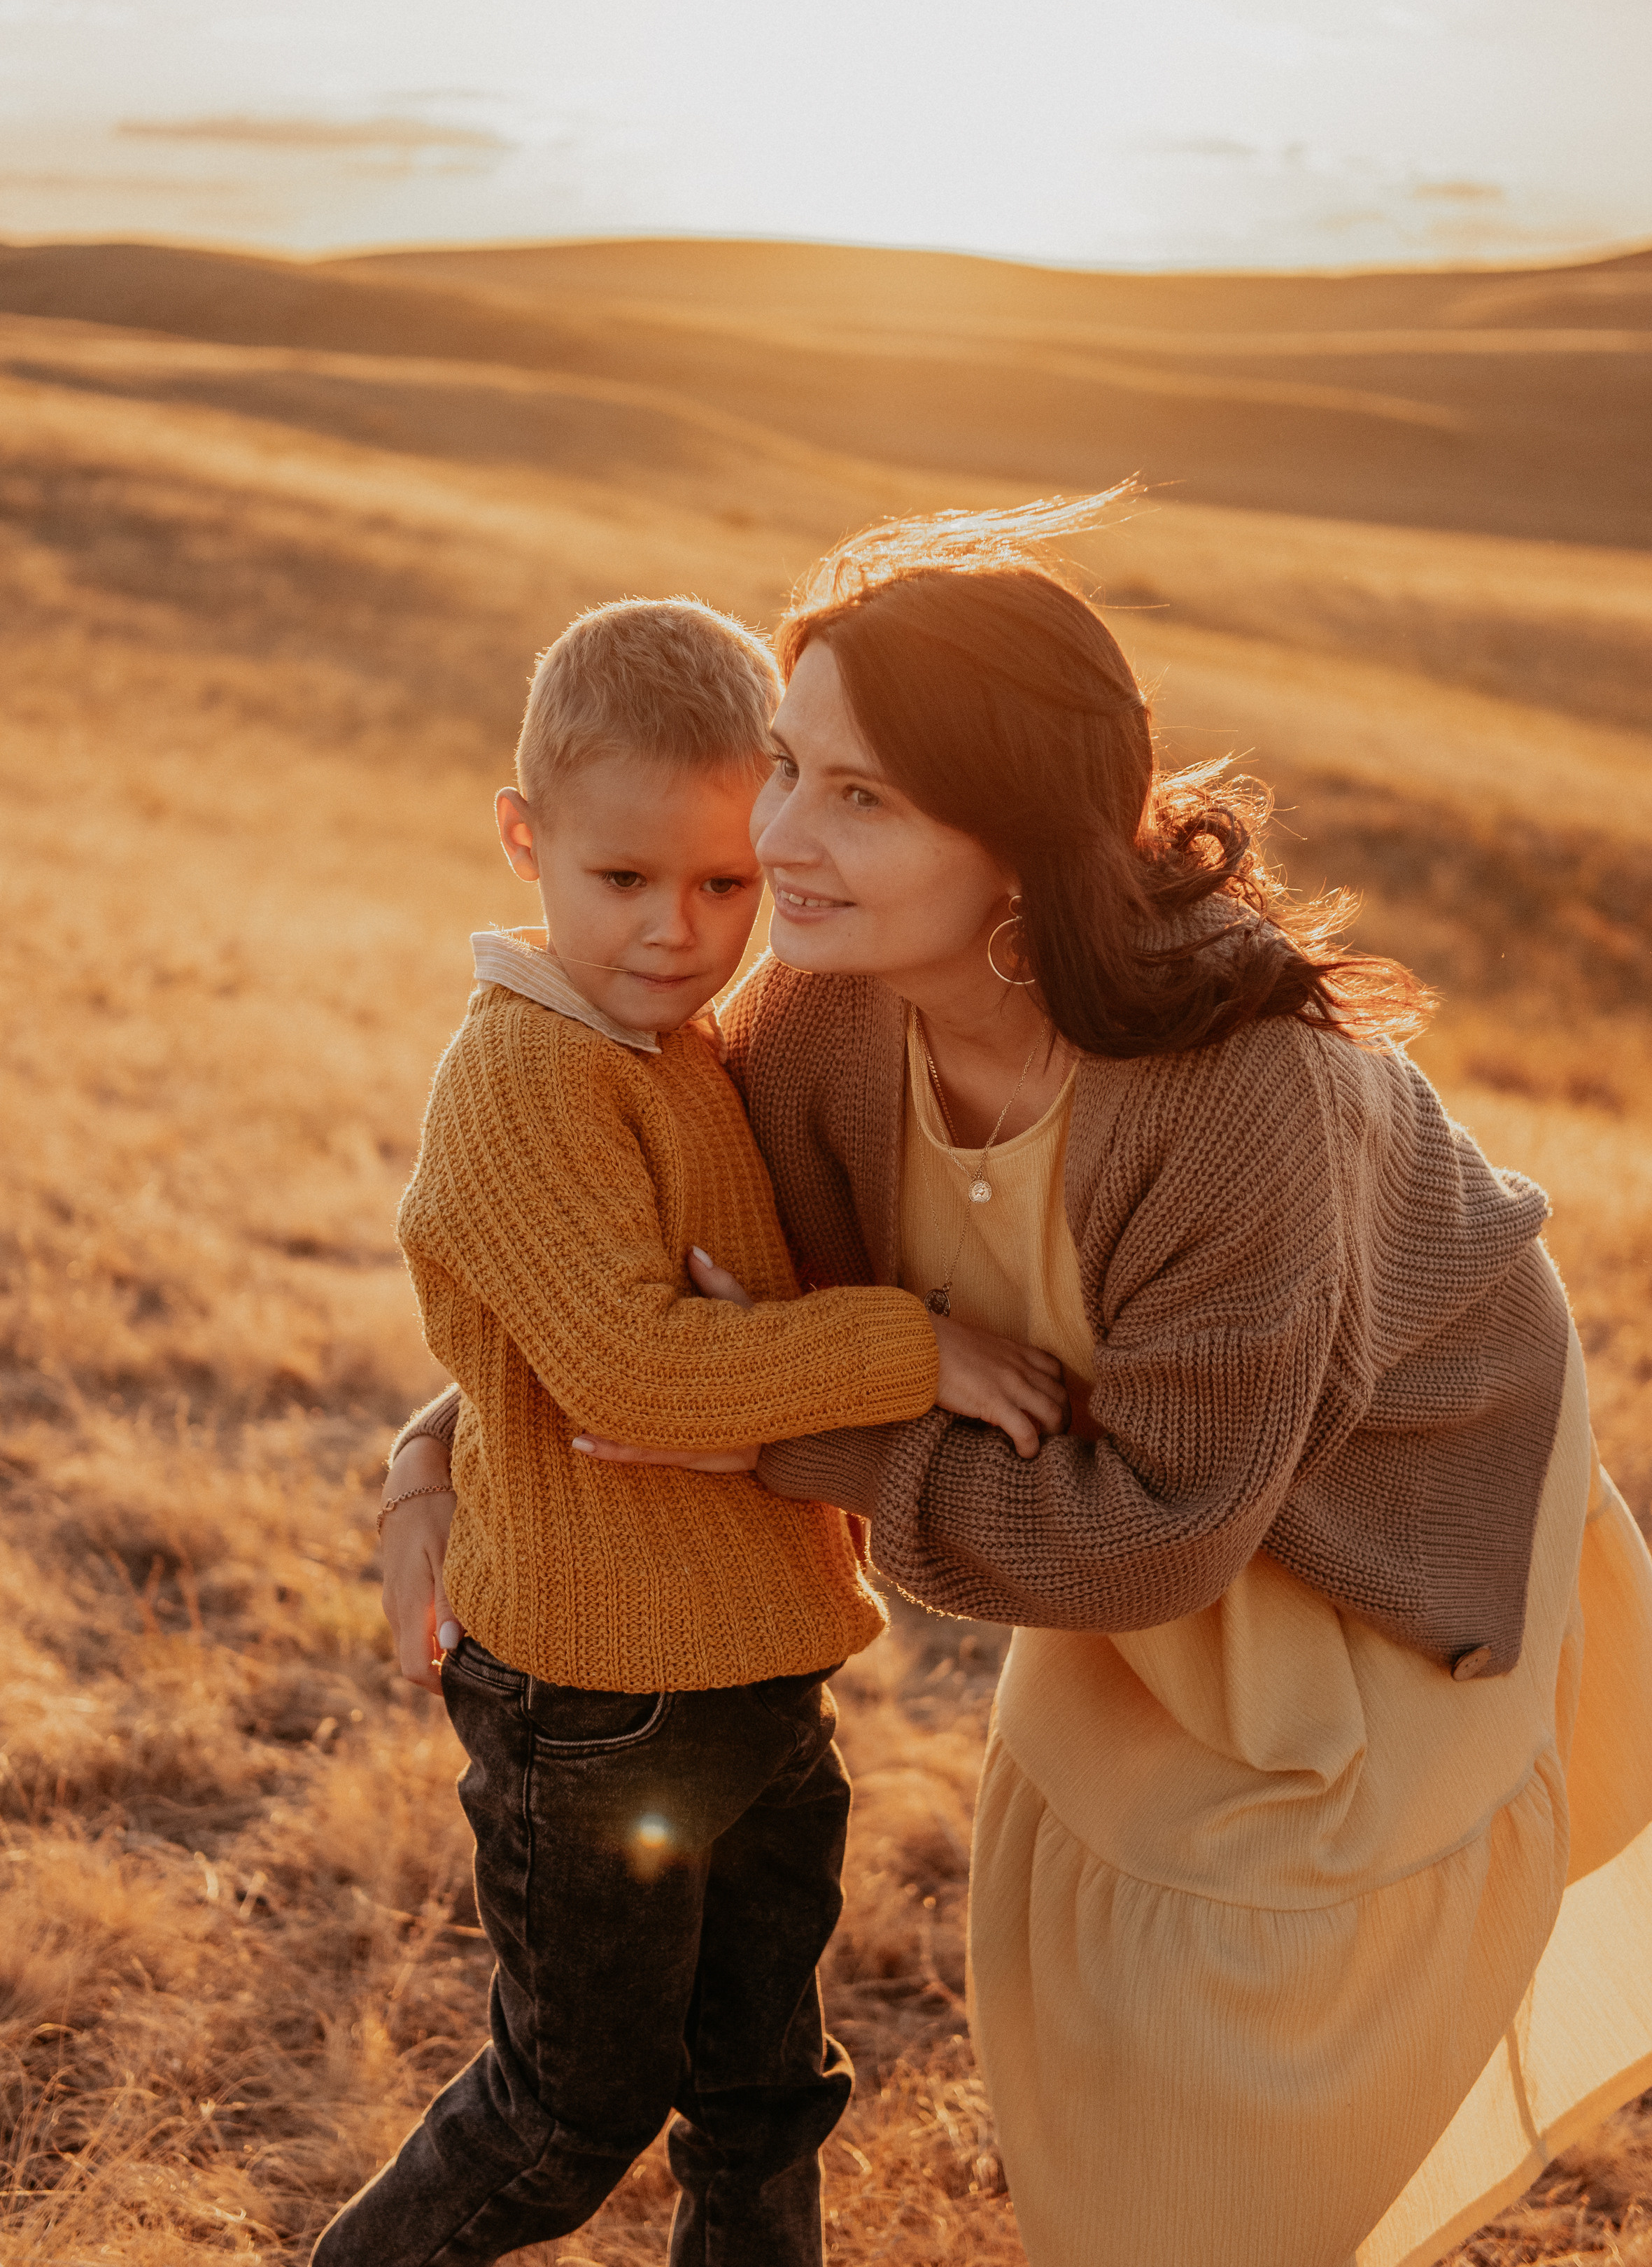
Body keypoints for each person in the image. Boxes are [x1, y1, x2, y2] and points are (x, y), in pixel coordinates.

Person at [567, 500, 1652, 2267]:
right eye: (785, 765)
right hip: (1124, 1524)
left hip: (1368, 1549)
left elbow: (1149, 1540)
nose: (779, 839)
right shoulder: (824, 1012)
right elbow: (629, 1291)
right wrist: (437, 1458)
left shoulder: (1241, 1092)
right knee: (1101, 2024)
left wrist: (796, 1434)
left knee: (1266, 2067)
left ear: (1017, 845)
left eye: (862, 797)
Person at [320, 594, 1065, 2267]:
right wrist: (914, 1351)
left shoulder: (675, 1047)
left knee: (762, 2085)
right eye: (624, 880)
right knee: (568, 2111)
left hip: (754, 1671)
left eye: (724, 881)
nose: (678, 929)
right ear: (525, 841)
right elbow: (630, 1376)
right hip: (595, 1701)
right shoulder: (526, 1074)